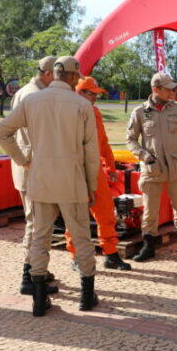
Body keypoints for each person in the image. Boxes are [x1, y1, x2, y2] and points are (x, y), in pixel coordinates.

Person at [0, 56, 100, 316]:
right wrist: (92, 185)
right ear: (73, 76)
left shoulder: (32, 100)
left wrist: (23, 160)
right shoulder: (82, 105)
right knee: (81, 238)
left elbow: (2, 132)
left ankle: (39, 298)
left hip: (40, 180)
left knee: (40, 239)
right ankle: (86, 296)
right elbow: (91, 152)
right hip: (72, 181)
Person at [126, 72, 177, 262]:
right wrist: (145, 156)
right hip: (152, 168)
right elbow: (130, 140)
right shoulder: (140, 112)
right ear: (156, 89)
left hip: (176, 167)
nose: (172, 92)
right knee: (150, 210)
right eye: (168, 89)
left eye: (173, 89)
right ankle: (148, 247)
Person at [64, 77, 131, 271]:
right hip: (75, 170)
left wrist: (110, 166)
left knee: (106, 212)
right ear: (79, 92)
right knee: (76, 215)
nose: (95, 97)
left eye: (96, 94)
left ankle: (110, 254)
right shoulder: (68, 112)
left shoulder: (95, 112)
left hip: (95, 170)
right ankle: (76, 256)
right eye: (91, 93)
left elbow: (103, 142)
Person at [8, 56, 59, 296]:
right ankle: (29, 275)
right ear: (48, 74)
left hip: (28, 167)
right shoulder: (35, 96)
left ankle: (38, 269)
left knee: (37, 221)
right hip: (34, 168)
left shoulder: (24, 92)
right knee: (37, 224)